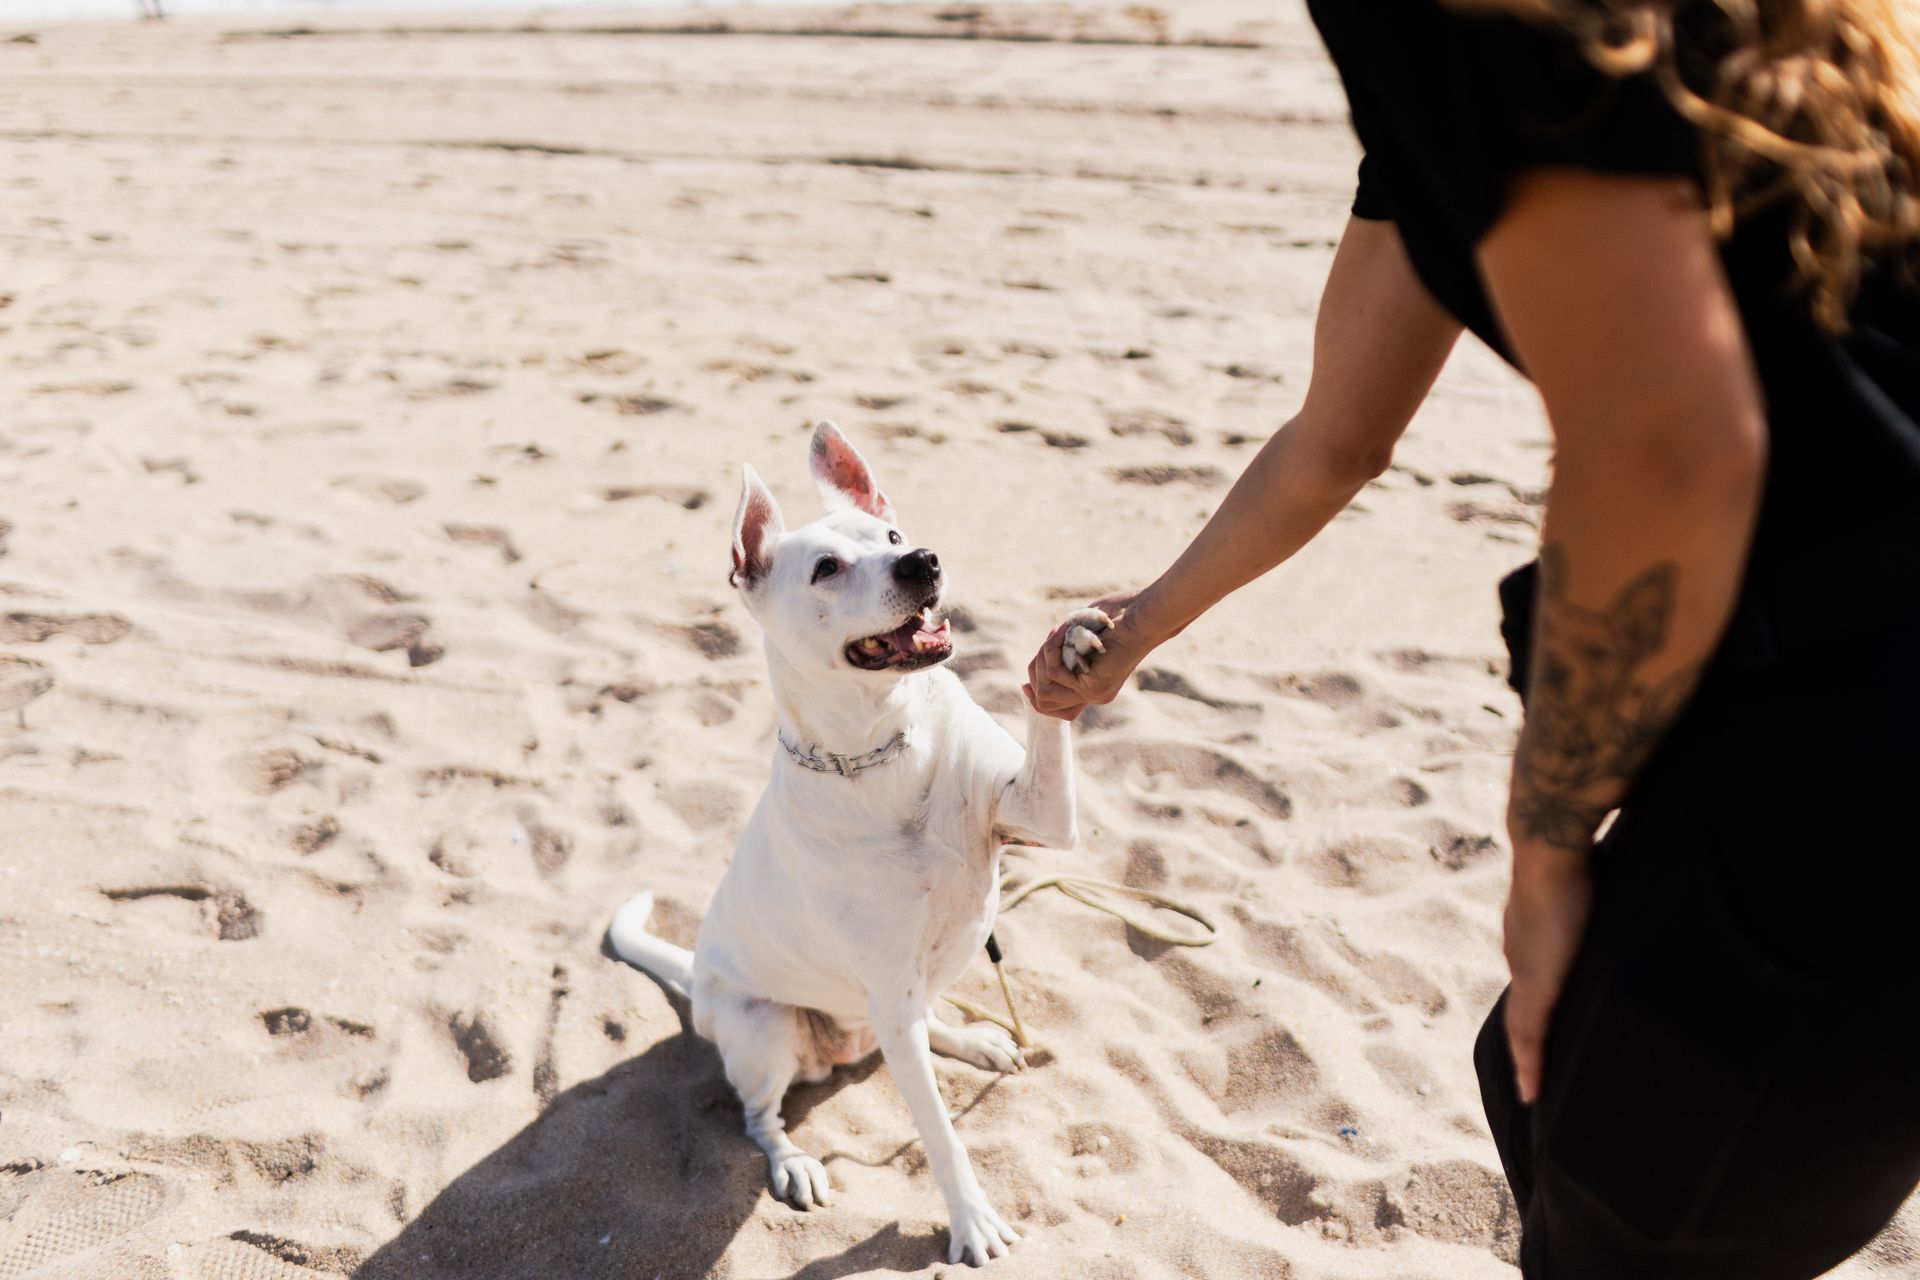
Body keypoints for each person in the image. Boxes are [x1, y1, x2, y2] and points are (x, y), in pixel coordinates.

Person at [1025, 1, 1920, 1275]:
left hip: (1855, 740)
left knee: (1624, 1191)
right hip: (1798, 672)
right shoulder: (1504, 69)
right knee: (1530, 1078)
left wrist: (1546, 852)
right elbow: (1337, 438)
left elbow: (1670, 449)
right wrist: (1144, 620)